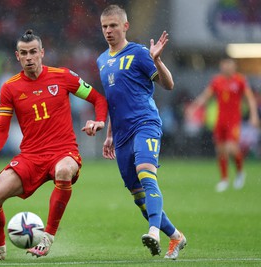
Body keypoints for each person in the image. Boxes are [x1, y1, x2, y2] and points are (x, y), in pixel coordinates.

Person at [0, 29, 108, 262]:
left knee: (64, 170)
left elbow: (98, 98)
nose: (29, 57)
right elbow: (1, 129)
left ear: (42, 53)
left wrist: (98, 121)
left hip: (63, 151)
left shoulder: (63, 76)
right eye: (24, 53)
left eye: (33, 52)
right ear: (17, 56)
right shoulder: (10, 88)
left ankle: (47, 238)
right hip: (31, 156)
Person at [97, 5, 186, 260]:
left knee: (146, 175)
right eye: (104, 26)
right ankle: (176, 236)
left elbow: (169, 85)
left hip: (145, 123)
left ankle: (154, 233)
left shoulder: (139, 53)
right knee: (138, 197)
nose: (108, 31)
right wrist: (111, 135)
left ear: (125, 26)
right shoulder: (102, 60)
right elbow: (114, 100)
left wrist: (157, 59)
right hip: (122, 134)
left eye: (113, 25)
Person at [189, 58, 259, 192]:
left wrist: (253, 115)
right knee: (221, 151)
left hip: (233, 122)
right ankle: (224, 179)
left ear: (234, 67)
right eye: (224, 66)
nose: (226, 68)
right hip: (220, 121)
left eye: (229, 66)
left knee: (231, 148)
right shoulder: (217, 81)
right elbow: (206, 96)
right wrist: (194, 107)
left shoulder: (240, 80)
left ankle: (240, 172)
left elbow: (249, 98)